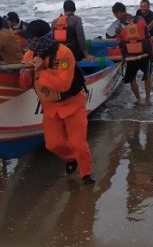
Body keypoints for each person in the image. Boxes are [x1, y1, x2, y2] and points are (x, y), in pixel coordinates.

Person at [18, 19, 95, 184]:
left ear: (40, 39)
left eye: (30, 38)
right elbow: (24, 85)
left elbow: (63, 84)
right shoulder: (29, 55)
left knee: (78, 143)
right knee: (53, 144)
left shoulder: (64, 53)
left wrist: (41, 70)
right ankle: (71, 158)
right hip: (50, 107)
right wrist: (25, 72)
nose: (27, 42)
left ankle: (86, 173)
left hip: (72, 104)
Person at [112, 2, 153, 105]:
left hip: (130, 56)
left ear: (119, 12)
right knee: (147, 76)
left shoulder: (119, 25)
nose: (115, 16)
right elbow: (147, 35)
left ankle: (139, 99)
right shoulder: (139, 18)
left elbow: (118, 42)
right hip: (144, 53)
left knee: (132, 78)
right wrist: (151, 51)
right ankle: (148, 99)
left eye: (115, 14)